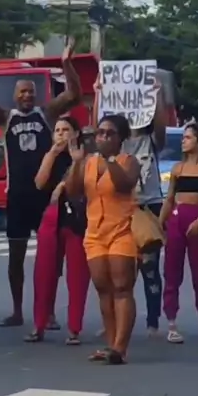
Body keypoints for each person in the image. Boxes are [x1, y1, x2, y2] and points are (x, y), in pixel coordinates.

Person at [0, 38, 81, 327]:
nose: (27, 96)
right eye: (22, 92)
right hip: (18, 195)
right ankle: (18, 310)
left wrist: (66, 62)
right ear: (15, 95)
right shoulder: (6, 118)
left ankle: (49, 311)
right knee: (16, 258)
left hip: (45, 195)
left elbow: (74, 94)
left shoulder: (46, 114)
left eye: (31, 92)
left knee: (50, 258)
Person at [66, 113, 139, 365]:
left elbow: (124, 185)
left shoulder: (128, 161)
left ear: (121, 138)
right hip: (95, 233)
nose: (104, 137)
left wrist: (109, 159)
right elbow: (73, 190)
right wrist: (76, 162)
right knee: (103, 289)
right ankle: (111, 344)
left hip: (121, 230)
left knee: (122, 288)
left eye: (110, 133)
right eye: (100, 133)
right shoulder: (88, 162)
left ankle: (120, 347)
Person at [25, 116, 90, 345]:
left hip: (76, 218)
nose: (61, 134)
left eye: (66, 130)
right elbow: (39, 183)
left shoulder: (84, 157)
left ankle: (74, 328)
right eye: (57, 130)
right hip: (52, 217)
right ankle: (39, 324)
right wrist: (52, 155)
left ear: (76, 133)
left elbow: (80, 186)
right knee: (44, 273)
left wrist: (68, 175)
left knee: (77, 275)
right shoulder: (50, 155)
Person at [159, 122, 198, 343]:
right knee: (172, 272)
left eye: (188, 137)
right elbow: (169, 199)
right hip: (177, 217)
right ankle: (171, 322)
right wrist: (160, 223)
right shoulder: (177, 168)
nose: (184, 141)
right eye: (184, 137)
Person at [119, 91, 167, 337]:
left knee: (150, 266)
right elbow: (98, 127)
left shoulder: (151, 140)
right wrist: (98, 93)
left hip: (149, 206)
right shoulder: (118, 142)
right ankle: (119, 319)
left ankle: (153, 321)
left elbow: (161, 126)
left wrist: (156, 96)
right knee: (122, 267)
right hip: (123, 208)